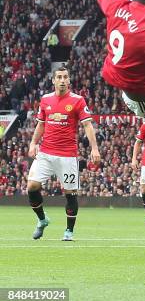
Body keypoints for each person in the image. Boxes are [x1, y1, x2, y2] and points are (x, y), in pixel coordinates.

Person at [27, 65, 100, 241]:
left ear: (69, 80)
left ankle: (69, 232)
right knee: (32, 187)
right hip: (45, 152)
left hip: (67, 155)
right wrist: (33, 143)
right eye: (58, 77)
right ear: (53, 80)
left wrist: (95, 148)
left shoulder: (78, 100)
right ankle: (42, 220)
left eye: (65, 77)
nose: (62, 80)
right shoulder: (45, 100)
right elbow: (41, 124)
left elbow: (87, 125)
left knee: (70, 193)